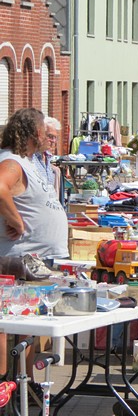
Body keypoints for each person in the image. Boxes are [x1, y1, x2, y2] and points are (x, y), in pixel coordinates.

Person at [0, 108, 68, 399]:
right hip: (22, 258)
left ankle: (24, 385)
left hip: (36, 259)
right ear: (33, 133)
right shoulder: (12, 161)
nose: (47, 136)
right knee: (12, 323)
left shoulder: (28, 161)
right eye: (43, 130)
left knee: (33, 324)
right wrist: (17, 220)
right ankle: (7, 385)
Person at [32, 116, 63, 196]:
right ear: (39, 134)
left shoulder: (48, 158)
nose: (54, 141)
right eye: (50, 136)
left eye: (55, 138)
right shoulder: (30, 158)